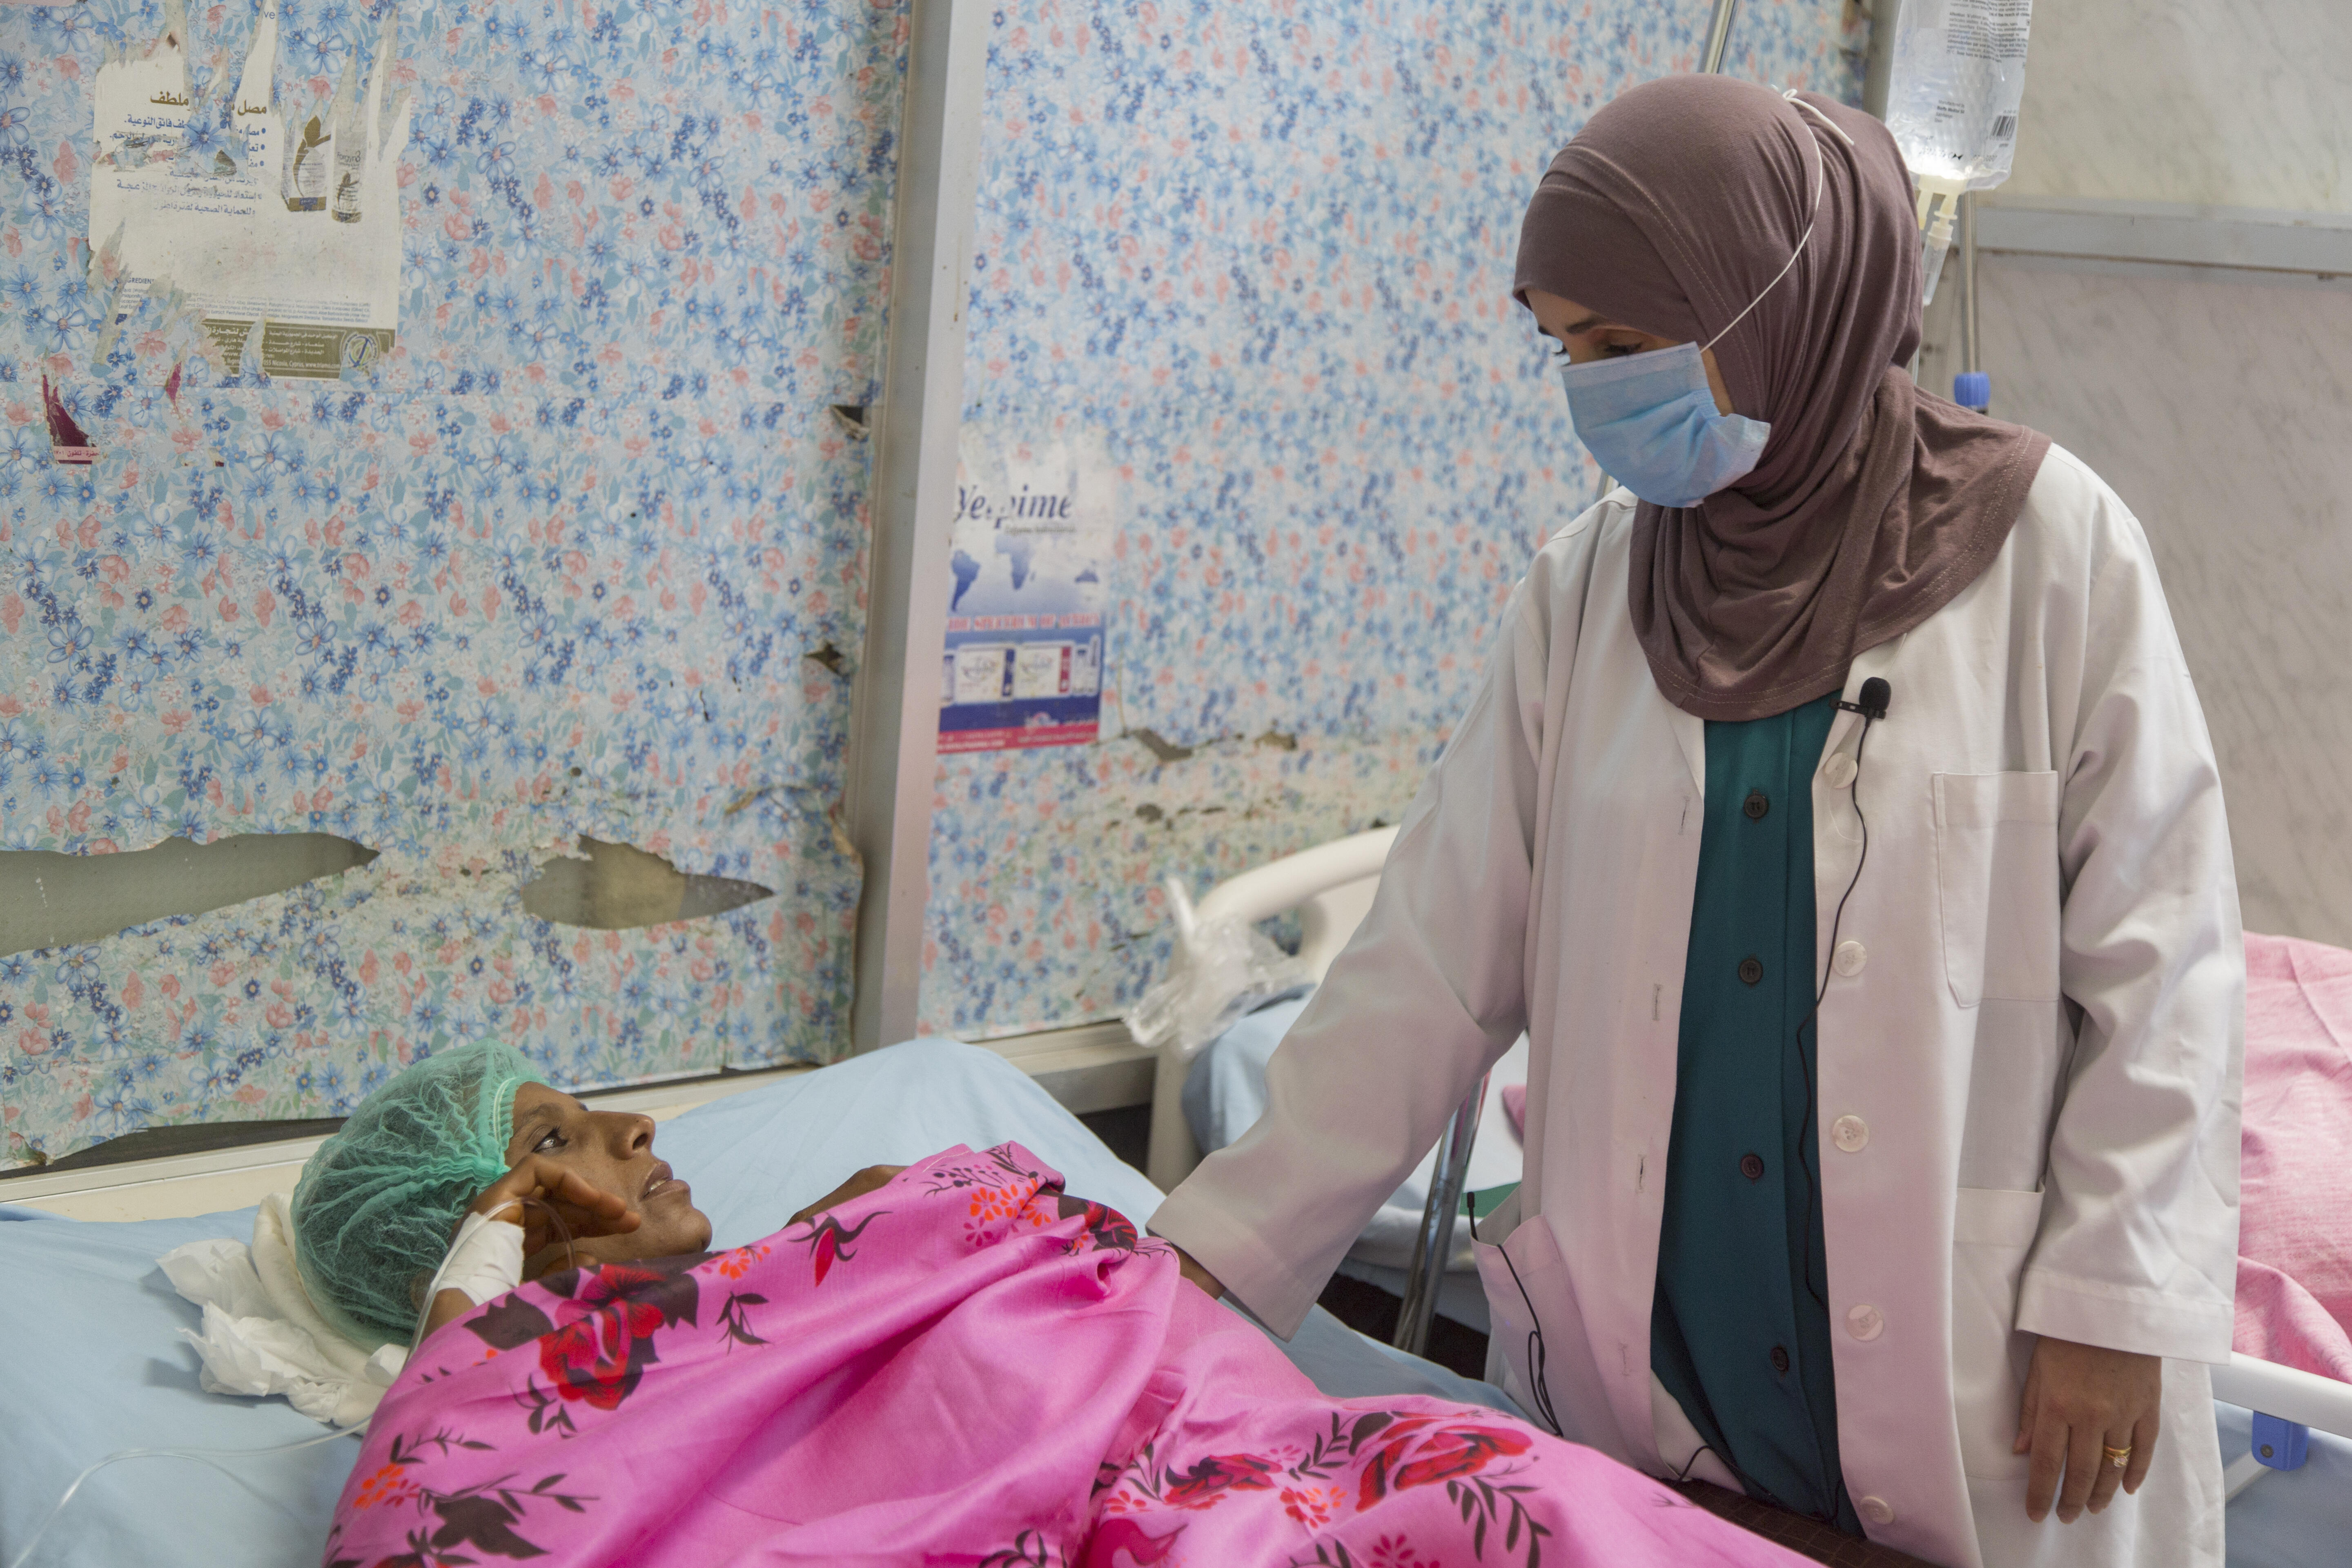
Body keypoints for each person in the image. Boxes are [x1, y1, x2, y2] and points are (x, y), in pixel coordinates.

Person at [1147, 74, 2243, 1568]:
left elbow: (2166, 965)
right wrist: (1212, 1262)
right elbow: (1426, 966)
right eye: (1568, 351)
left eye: (1626, 348)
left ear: (1772, 304)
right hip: (1660, 1386)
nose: (1596, 395)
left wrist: (2115, 1299)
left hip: (1972, 1372)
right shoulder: (1589, 590)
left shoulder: (2051, 553)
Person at [293, 1041, 1841, 1567]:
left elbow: (1131, 1307)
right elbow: (440, 1500)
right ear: (484, 1237)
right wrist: (482, 1270)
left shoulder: (873, 1227)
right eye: (555, 1146)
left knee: (1531, 1498)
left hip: (1271, 1477)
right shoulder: (499, 1383)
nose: (636, 1132)